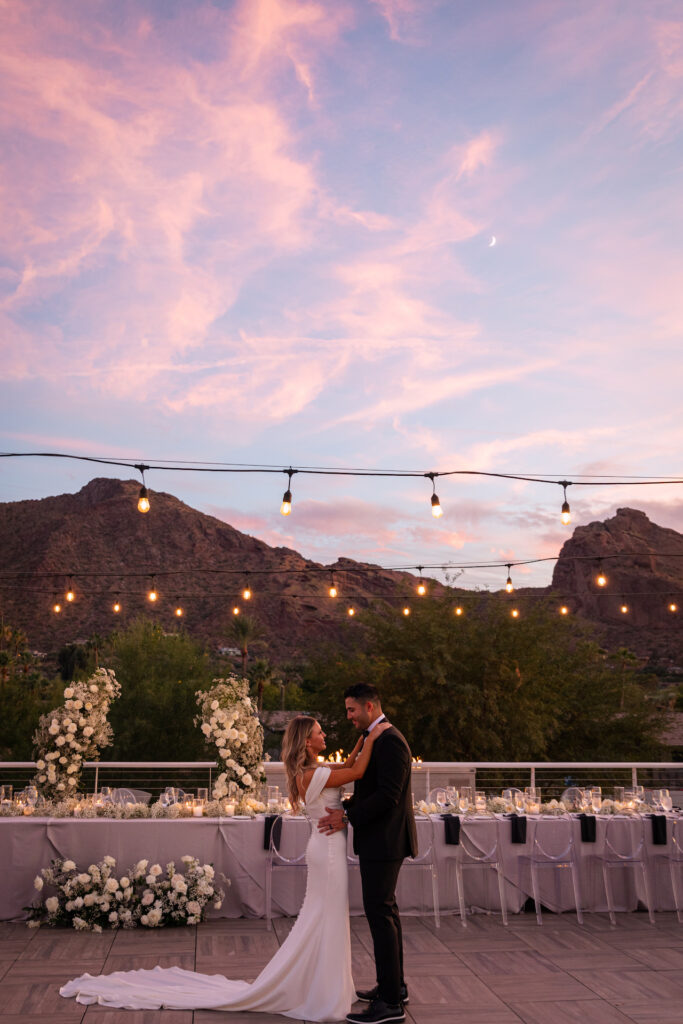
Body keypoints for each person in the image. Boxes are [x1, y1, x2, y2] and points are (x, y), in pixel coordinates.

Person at [60, 714, 390, 1022]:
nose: (325, 735)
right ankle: (322, 991)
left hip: (326, 846)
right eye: (320, 732)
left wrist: (363, 737)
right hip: (327, 851)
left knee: (326, 915)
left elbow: (349, 764)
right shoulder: (314, 775)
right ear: (307, 741)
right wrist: (374, 735)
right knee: (327, 915)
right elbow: (358, 771)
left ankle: (322, 985)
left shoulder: (315, 771)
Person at [319, 683, 417, 1024]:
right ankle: (394, 987)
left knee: (380, 916)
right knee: (385, 914)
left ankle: (390, 1004)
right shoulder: (378, 738)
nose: (348, 716)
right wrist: (346, 807)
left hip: (385, 842)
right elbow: (370, 790)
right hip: (381, 840)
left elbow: (388, 796)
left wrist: (346, 815)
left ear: (370, 707)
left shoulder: (390, 742)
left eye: (352, 710)